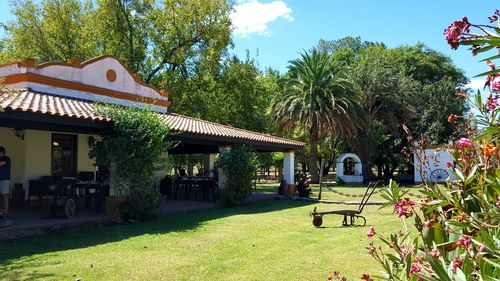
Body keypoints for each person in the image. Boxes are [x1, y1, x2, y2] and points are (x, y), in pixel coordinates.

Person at [0, 146, 11, 220]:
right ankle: (1, 212)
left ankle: (5, 213)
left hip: (4, 180)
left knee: (5, 196)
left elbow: (1, 164)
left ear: (2, 152)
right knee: (1, 196)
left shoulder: (6, 158)